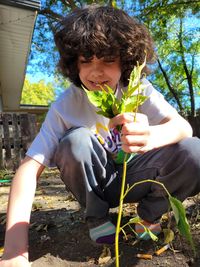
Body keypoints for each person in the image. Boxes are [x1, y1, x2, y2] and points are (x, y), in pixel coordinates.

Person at [1, 4, 200, 266]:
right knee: (76, 141)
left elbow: (183, 128)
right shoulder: (65, 106)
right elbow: (28, 169)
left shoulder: (139, 90)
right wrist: (15, 249)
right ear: (74, 63)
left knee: (195, 151)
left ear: (126, 61)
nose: (96, 71)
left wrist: (153, 135)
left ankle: (150, 216)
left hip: (136, 179)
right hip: (99, 185)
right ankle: (97, 217)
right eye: (86, 60)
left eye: (108, 60)